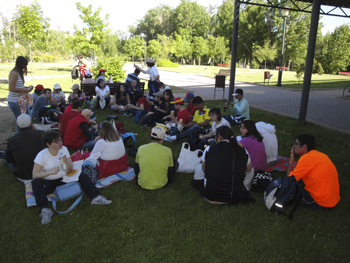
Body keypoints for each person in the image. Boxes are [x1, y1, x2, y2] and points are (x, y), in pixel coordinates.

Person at [32, 131, 111, 225]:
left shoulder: (64, 149)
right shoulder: (42, 155)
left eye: (60, 140)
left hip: (64, 178)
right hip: (49, 181)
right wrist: (50, 172)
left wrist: (65, 163)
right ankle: (45, 210)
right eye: (56, 142)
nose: (60, 143)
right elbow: (35, 175)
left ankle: (95, 197)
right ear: (48, 144)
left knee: (82, 175)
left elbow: (70, 168)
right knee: (36, 182)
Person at [191, 126, 254, 204]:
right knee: (251, 170)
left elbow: (204, 168)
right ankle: (244, 187)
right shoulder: (243, 151)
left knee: (198, 168)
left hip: (211, 196)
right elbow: (248, 169)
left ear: (219, 136)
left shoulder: (209, 149)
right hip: (235, 196)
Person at [287, 134, 340, 210]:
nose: (294, 146)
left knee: (288, 188)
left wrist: (291, 162)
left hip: (321, 203)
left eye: (296, 144)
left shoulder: (305, 159)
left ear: (304, 146)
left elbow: (289, 179)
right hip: (332, 199)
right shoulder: (321, 155)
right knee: (298, 181)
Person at [0, 114, 45, 180]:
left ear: (17, 125)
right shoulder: (40, 134)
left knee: (8, 159)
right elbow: (43, 134)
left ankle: (2, 155)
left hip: (23, 174)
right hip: (41, 171)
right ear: (31, 124)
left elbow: (10, 159)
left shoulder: (12, 140)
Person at [7, 56, 33, 132]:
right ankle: (21, 136)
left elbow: (18, 86)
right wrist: (25, 90)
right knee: (21, 120)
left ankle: (26, 135)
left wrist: (26, 88)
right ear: (21, 64)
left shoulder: (18, 73)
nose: (26, 67)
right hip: (15, 101)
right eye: (25, 64)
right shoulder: (14, 73)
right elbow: (11, 88)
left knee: (27, 118)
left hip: (22, 100)